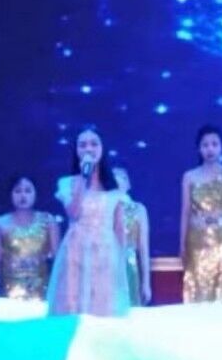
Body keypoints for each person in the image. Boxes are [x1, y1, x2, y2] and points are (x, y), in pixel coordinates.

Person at [47, 127, 147, 314]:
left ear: (102, 149)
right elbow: (74, 213)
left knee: (103, 307)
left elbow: (119, 226)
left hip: (105, 251)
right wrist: (82, 179)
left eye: (94, 144)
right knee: (72, 306)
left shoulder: (115, 186)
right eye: (82, 145)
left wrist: (122, 263)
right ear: (76, 150)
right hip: (75, 251)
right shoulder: (67, 183)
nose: (88, 149)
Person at [182, 125, 222, 303]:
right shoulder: (189, 177)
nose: (210, 149)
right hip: (196, 240)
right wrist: (182, 245)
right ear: (199, 149)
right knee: (197, 291)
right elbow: (185, 212)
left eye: (215, 144)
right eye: (205, 145)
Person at [0, 175, 62, 303]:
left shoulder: (48, 221)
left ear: (36, 193)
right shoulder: (0, 224)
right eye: (18, 191)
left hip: (42, 293)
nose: (23, 196)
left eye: (28, 191)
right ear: (10, 194)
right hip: (9, 294)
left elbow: (58, 261)